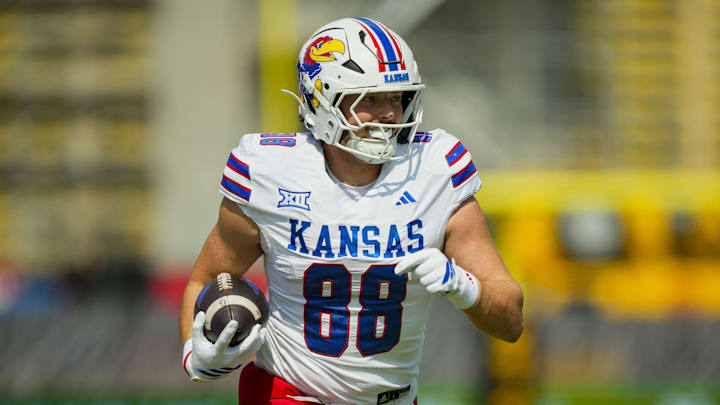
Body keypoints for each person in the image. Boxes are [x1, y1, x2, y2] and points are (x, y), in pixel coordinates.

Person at [179, 17, 524, 405]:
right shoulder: (272, 171)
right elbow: (206, 279)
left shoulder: (436, 170)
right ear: (320, 100)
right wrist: (196, 354)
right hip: (288, 393)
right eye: (369, 100)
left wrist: (463, 287)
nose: (390, 114)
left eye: (397, 98)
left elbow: (510, 321)